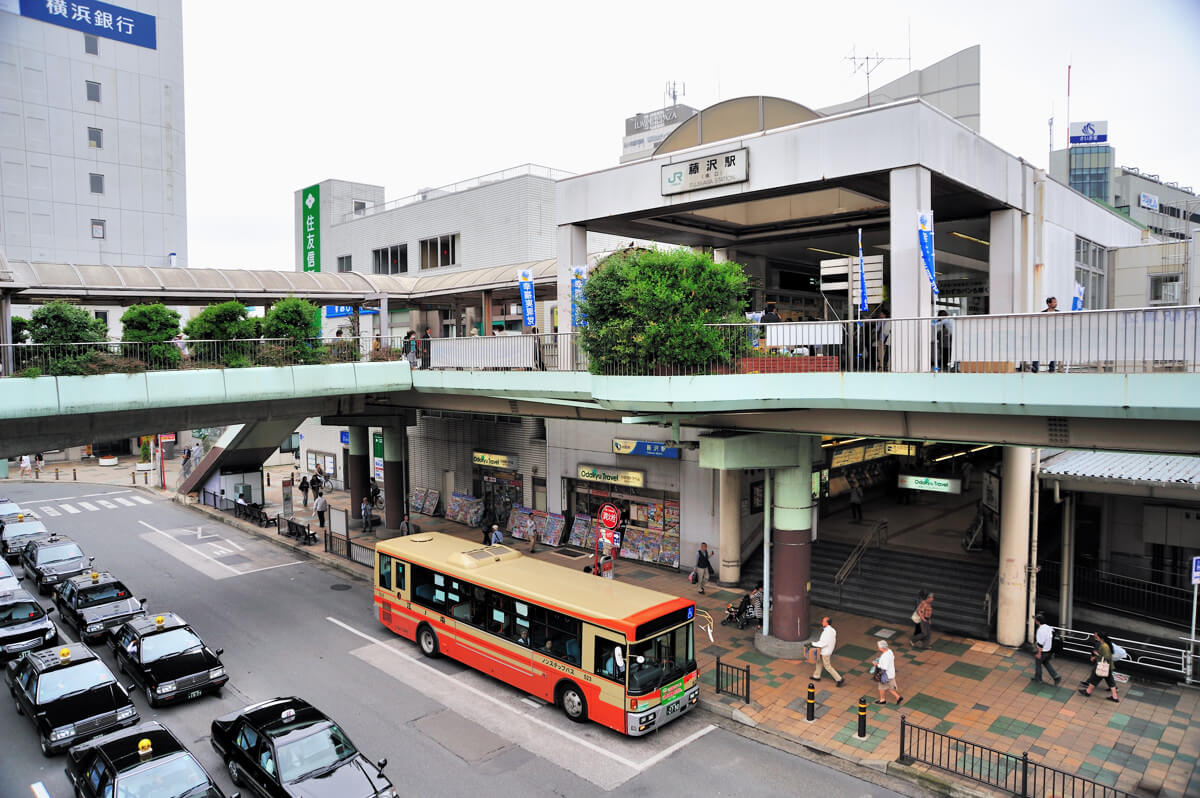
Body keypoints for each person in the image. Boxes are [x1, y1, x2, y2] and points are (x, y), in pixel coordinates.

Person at [1079, 631, 1119, 702]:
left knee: (1095, 679)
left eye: (1097, 637)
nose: (1096, 637)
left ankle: (1087, 692)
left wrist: (1096, 655)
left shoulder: (1104, 646)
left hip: (1104, 666)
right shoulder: (1106, 644)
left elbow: (1106, 657)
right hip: (1108, 666)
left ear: (1101, 638)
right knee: (1110, 682)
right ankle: (1115, 697)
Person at [812, 615, 846, 687]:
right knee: (818, 661)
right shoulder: (832, 630)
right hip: (827, 650)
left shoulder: (827, 632)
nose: (822, 622)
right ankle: (816, 676)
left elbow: (823, 643)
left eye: (823, 621)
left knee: (827, 666)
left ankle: (839, 679)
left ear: (827, 623)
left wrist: (813, 644)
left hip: (825, 652)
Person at [1031, 613, 1062, 685]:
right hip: (1050, 650)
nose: (1035, 621)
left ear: (1038, 621)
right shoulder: (1049, 627)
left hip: (1044, 651)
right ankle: (1056, 676)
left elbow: (1040, 643)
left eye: (1035, 620)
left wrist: (1039, 653)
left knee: (1038, 664)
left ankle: (1038, 679)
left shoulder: (1040, 630)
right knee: (1045, 662)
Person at [872, 640, 903, 705]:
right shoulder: (889, 651)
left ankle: (882, 700)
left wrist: (877, 664)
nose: (878, 648)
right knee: (889, 687)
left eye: (879, 647)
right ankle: (898, 697)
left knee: (881, 687)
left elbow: (884, 667)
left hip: (885, 675)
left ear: (882, 648)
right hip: (891, 674)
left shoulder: (885, 656)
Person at [1033, 296, 1058, 373]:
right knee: (1038, 351)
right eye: (1054, 302)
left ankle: (1052, 368)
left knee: (1054, 351)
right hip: (1043, 335)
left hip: (1054, 336)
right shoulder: (1042, 313)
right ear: (1048, 303)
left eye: (1056, 302)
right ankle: (1035, 368)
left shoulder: (1059, 313)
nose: (1056, 303)